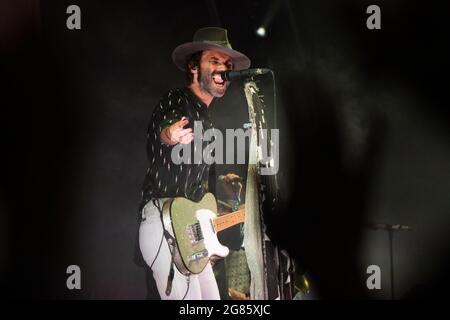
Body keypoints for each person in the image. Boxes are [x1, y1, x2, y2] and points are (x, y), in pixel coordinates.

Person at [138, 27, 251, 300]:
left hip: (188, 232)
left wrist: (225, 212)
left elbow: (197, 198)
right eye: (214, 61)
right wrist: (170, 134)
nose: (223, 68)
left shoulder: (207, 119)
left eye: (227, 64)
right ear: (193, 66)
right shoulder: (178, 100)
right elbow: (167, 128)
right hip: (166, 226)